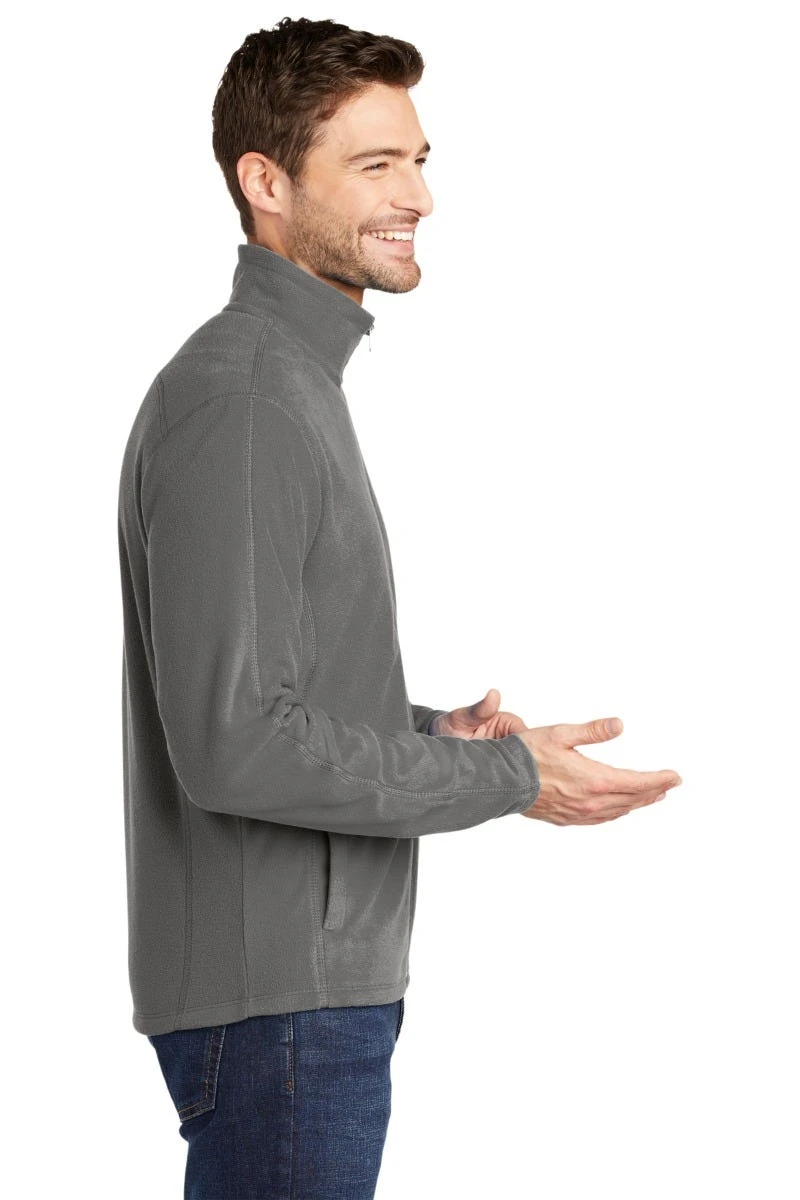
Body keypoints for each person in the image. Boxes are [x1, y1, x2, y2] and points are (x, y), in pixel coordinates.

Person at [117, 16, 682, 1199]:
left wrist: (434, 736)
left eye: (418, 160)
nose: (417, 196)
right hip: (282, 1010)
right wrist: (508, 778)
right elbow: (236, 744)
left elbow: (265, 692)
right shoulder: (246, 398)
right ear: (266, 183)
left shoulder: (286, 384)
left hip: (305, 999)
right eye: (375, 165)